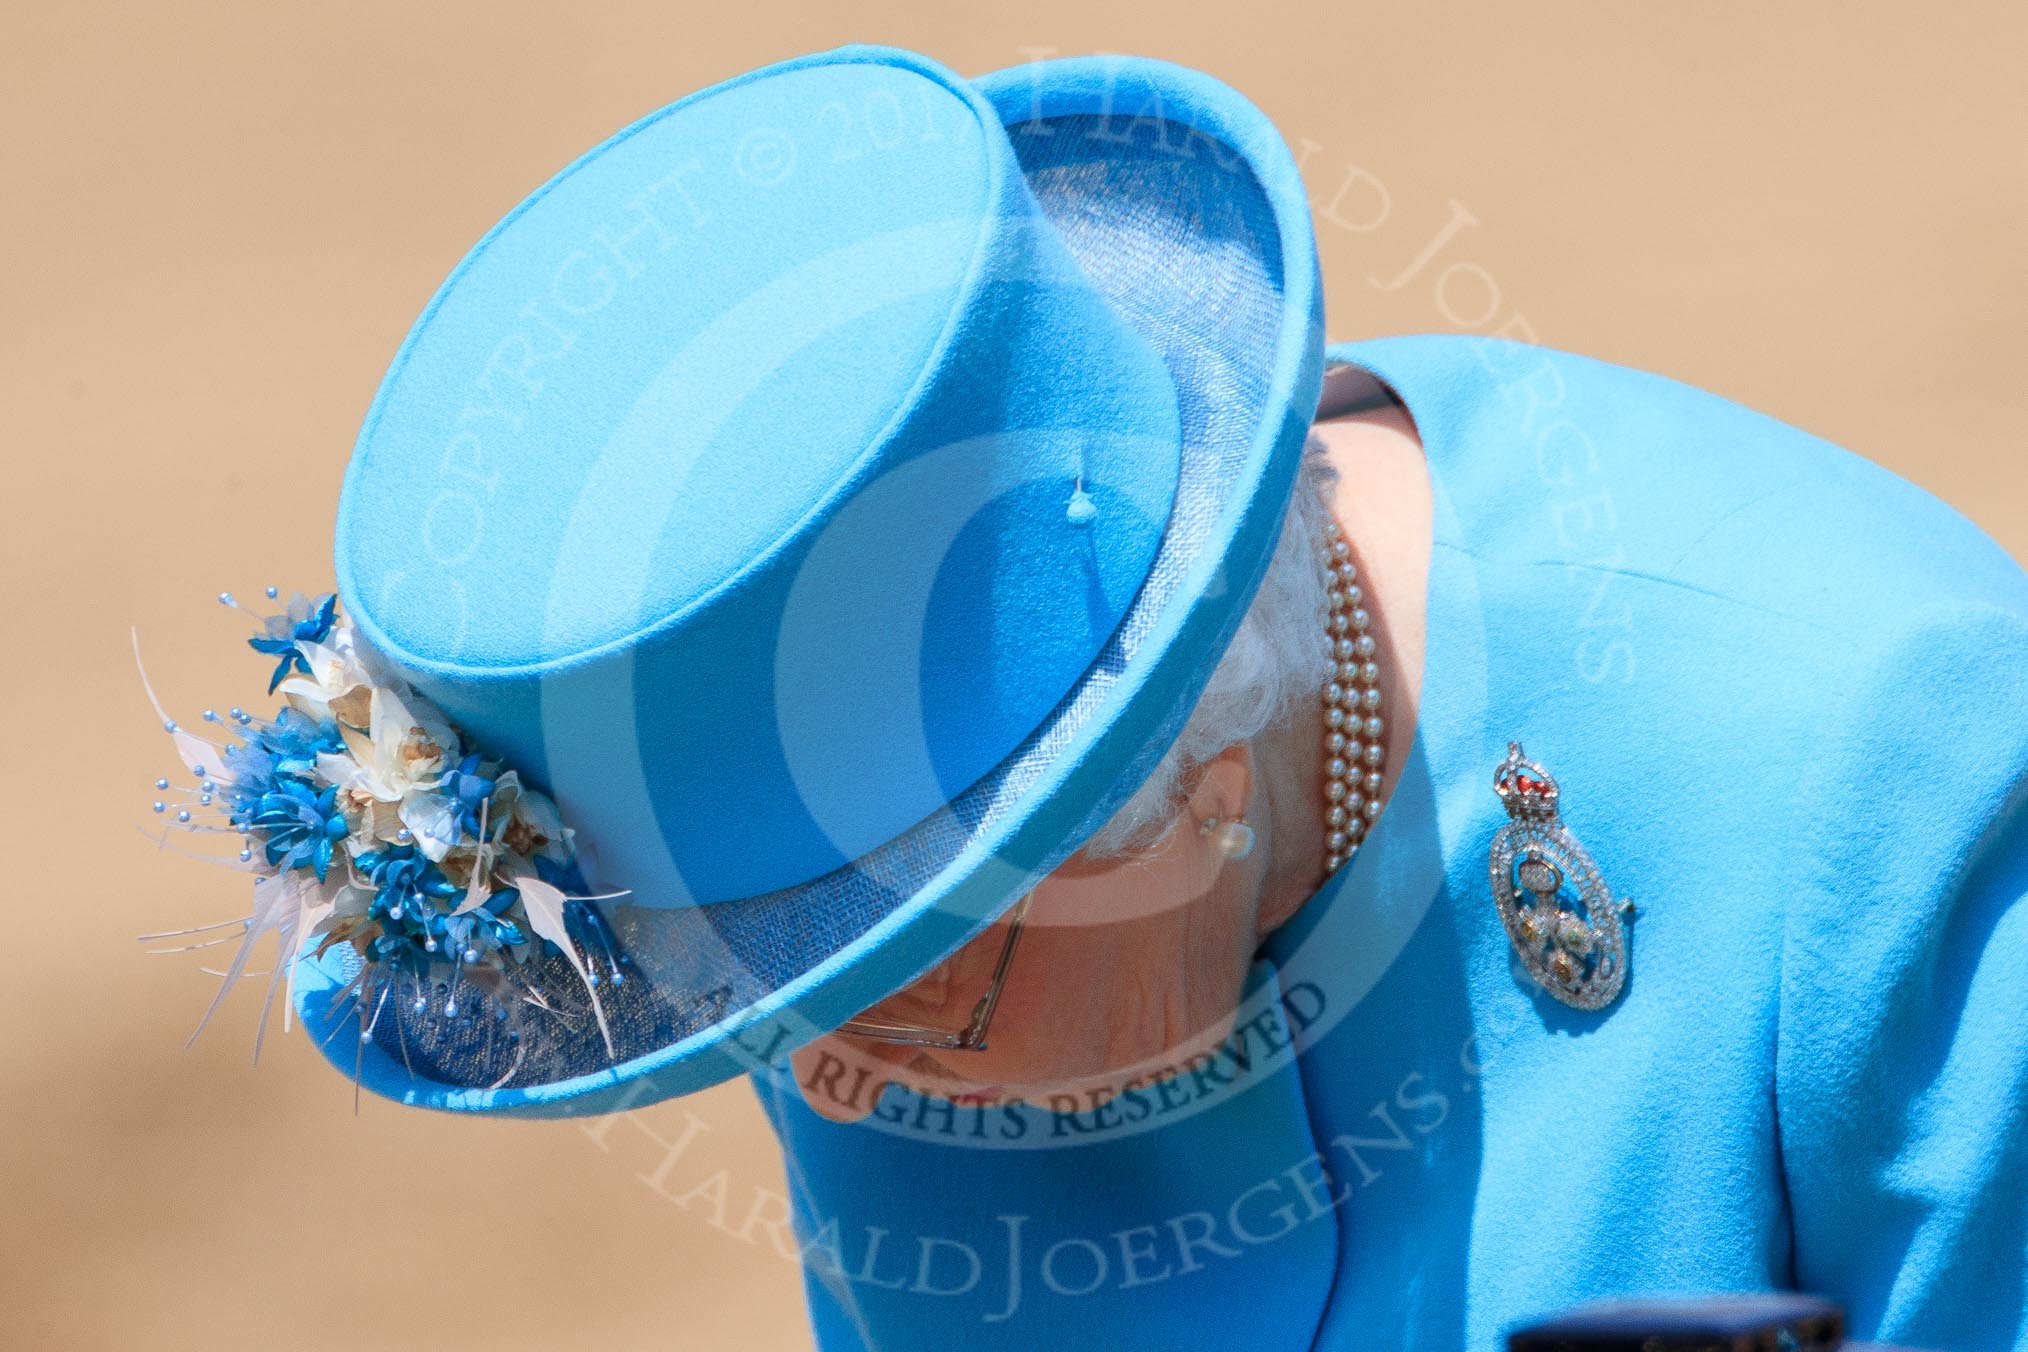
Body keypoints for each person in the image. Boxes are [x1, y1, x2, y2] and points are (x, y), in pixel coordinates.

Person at [143, 42, 2027, 1352]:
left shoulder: (1875, 776)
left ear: (1184, 786)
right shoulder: (883, 932)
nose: (832, 1075)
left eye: (901, 969)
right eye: (746, 999)